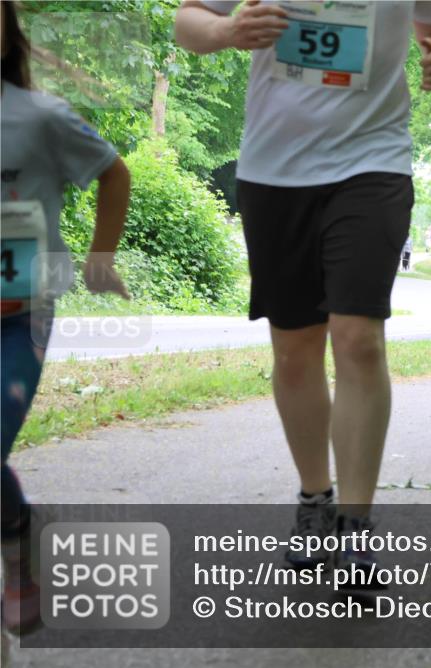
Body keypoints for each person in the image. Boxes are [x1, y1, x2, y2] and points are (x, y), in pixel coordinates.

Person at [175, 0, 431, 574]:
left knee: (359, 338)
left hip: (373, 159)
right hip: (275, 169)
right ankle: (315, 499)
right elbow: (188, 23)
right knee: (296, 348)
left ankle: (356, 528)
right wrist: (230, 30)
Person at [1, 0, 132, 634]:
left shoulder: (43, 117)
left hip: (18, 315)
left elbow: (114, 173)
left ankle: (16, 551)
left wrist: (98, 258)